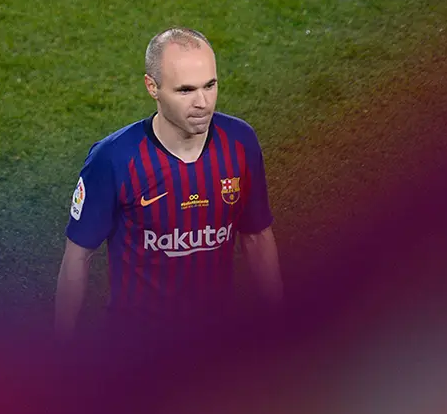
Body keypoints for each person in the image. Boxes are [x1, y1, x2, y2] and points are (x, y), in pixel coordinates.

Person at [54, 27, 282, 340]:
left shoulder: (240, 143)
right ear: (152, 87)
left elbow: (257, 237)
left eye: (210, 85)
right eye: (185, 90)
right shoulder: (113, 159)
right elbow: (78, 256)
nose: (203, 102)